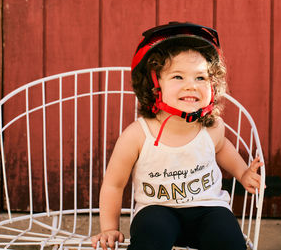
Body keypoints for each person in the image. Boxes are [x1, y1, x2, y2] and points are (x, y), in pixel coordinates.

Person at [91, 22, 263, 250]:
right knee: (150, 235)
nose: (191, 85)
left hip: (208, 208)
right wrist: (109, 228)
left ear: (213, 85)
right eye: (178, 77)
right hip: (157, 209)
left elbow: (222, 149)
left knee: (228, 238)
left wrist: (242, 173)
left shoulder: (212, 128)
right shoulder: (138, 134)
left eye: (200, 78)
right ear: (154, 85)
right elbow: (114, 184)